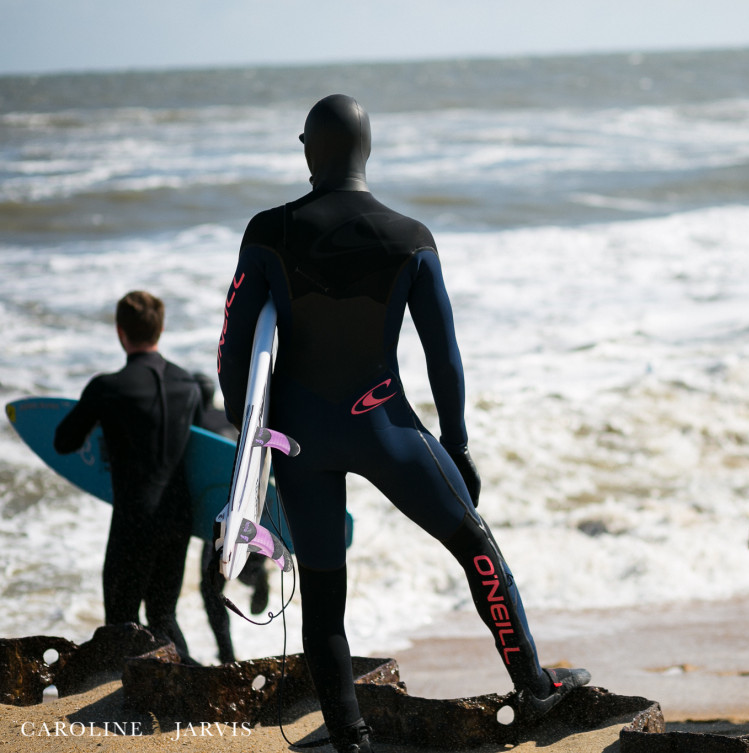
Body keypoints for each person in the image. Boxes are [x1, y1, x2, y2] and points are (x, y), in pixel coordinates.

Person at [216, 94, 590, 753]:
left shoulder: (267, 232)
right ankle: (535, 686)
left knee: (325, 594)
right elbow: (443, 353)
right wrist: (458, 442)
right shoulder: (410, 237)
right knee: (478, 550)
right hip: (384, 424)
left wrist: (258, 445)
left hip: (300, 438)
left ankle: (350, 737)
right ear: (368, 148)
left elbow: (232, 349)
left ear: (312, 149)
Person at [54, 290, 202, 660]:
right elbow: (200, 448)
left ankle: (126, 701)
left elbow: (63, 441)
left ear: (120, 332)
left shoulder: (108, 388)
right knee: (163, 615)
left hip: (135, 519)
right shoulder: (189, 385)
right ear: (161, 328)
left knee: (121, 621)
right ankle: (184, 685)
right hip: (179, 517)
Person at [192, 372, 270, 664]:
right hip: (247, 512)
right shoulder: (231, 420)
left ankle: (226, 651)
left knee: (211, 588)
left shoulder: (196, 426)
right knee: (243, 573)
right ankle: (258, 576)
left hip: (216, 520)